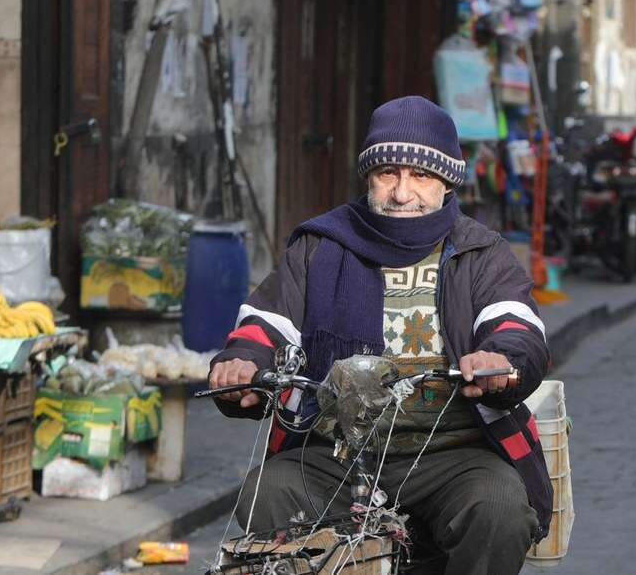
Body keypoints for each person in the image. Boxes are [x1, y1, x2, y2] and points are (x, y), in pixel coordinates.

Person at [207, 96, 551, 574]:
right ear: (369, 177)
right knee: (266, 494)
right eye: (388, 173)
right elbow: (267, 321)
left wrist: (501, 357)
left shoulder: (481, 253)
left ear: (447, 182)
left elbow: (515, 323)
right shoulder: (319, 247)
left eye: (421, 176)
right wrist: (243, 359)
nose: (402, 193)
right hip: (335, 453)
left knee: (499, 509)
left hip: (453, 453)